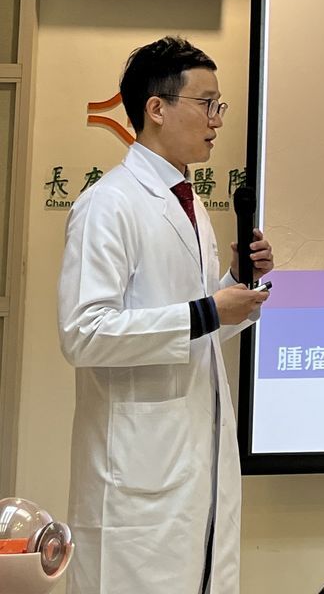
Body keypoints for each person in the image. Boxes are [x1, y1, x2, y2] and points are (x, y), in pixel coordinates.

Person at [57, 37, 274, 594]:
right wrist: (208, 311)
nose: (217, 120)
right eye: (207, 103)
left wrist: (234, 285)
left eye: (219, 105)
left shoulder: (189, 201)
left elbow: (190, 321)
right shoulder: (109, 203)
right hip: (135, 483)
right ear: (157, 108)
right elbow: (84, 333)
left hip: (192, 469)